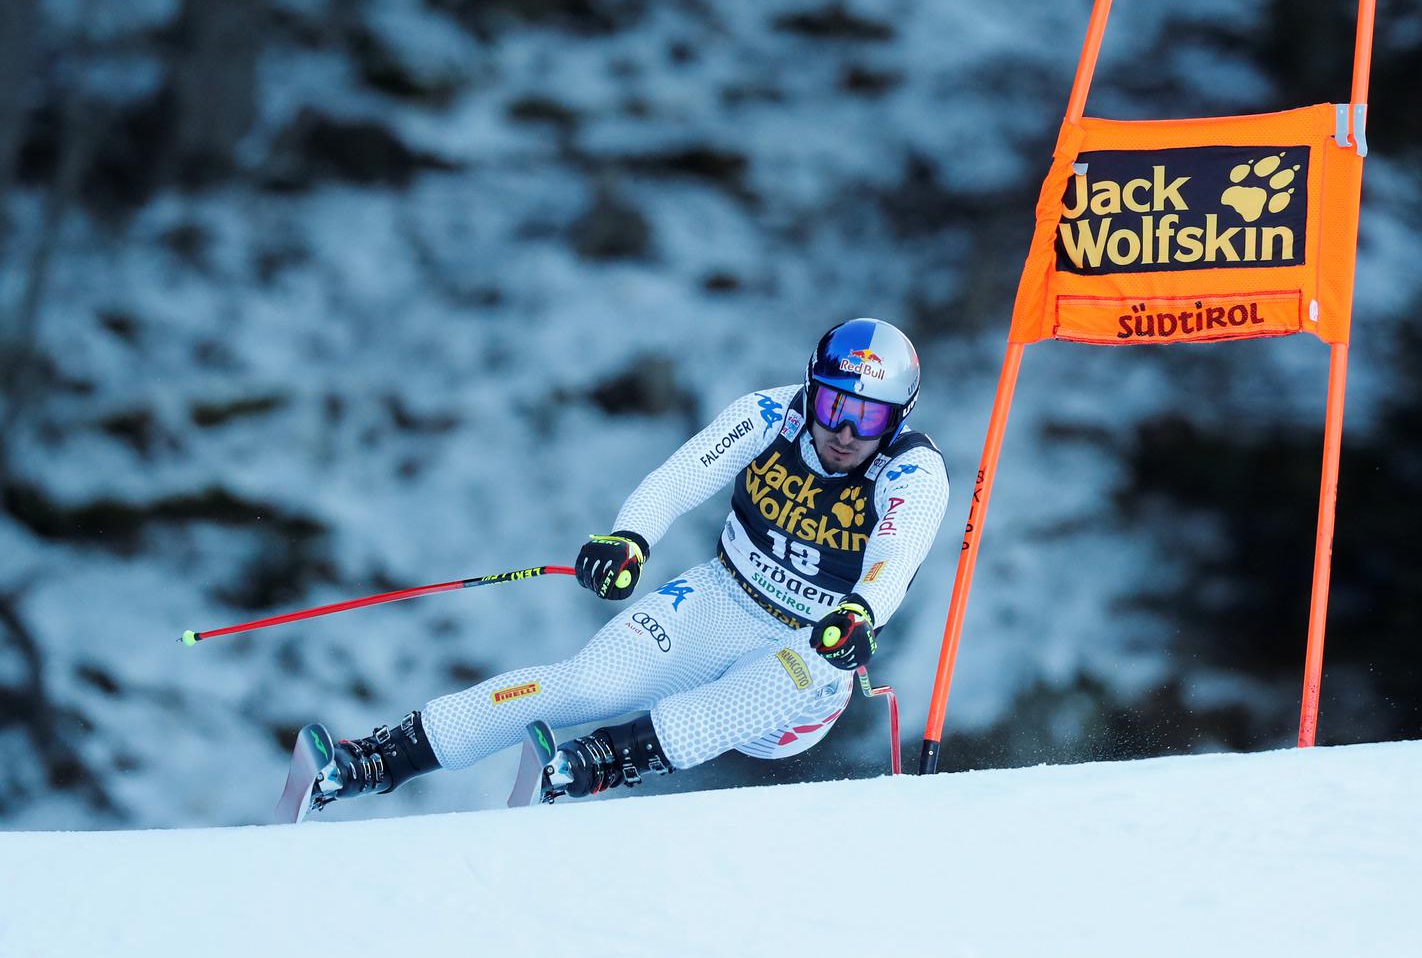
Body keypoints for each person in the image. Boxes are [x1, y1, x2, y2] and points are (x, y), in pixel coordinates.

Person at [305, 317, 949, 809]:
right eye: (833, 405)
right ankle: (375, 760)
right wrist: (629, 539)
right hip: (722, 597)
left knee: (784, 678)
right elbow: (678, 479)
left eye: (868, 417)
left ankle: (598, 762)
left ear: (897, 419)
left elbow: (895, 555)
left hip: (812, 648)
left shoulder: (913, 472)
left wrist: (861, 611)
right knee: (587, 684)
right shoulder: (769, 415)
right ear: (811, 389)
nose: (844, 432)